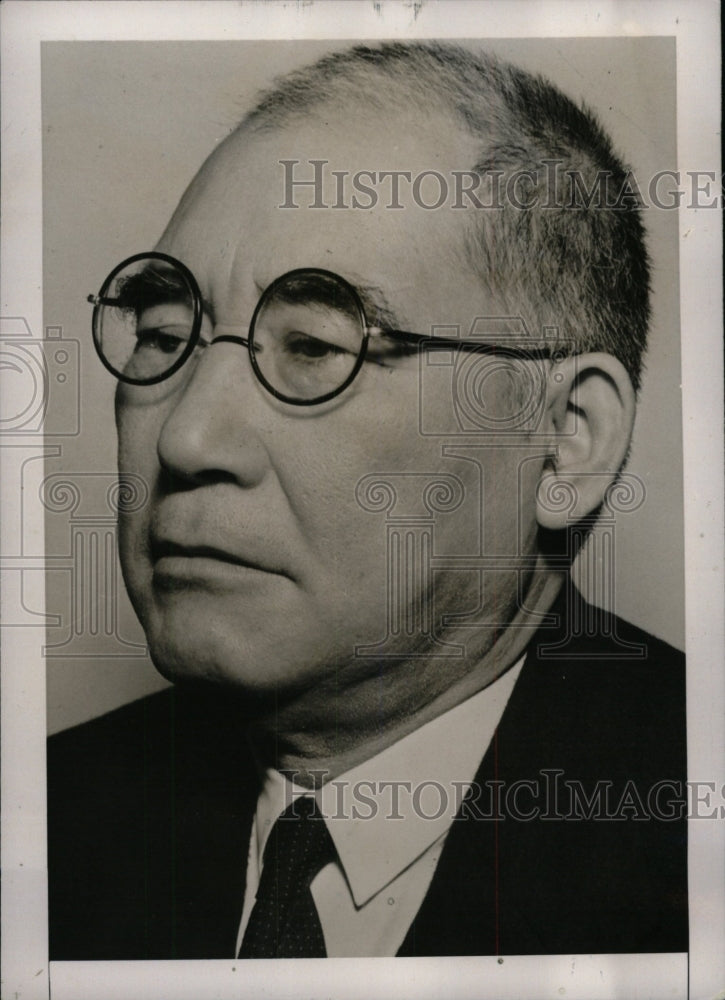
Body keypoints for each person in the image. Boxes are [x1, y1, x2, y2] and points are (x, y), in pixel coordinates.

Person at [48, 41, 687, 959]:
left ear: (565, 439)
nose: (187, 440)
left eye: (312, 347)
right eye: (163, 334)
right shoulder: (43, 829)